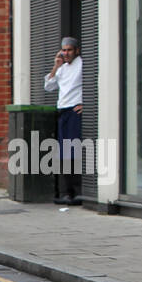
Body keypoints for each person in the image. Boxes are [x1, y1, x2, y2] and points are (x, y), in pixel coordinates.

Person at [44, 36, 84, 205]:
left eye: (69, 50)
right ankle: (67, 192)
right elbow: (49, 86)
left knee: (73, 152)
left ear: (76, 51)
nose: (66, 53)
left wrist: (86, 103)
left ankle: (76, 192)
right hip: (63, 112)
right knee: (64, 154)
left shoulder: (82, 64)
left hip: (75, 111)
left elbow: (93, 82)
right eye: (64, 50)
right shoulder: (61, 68)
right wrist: (56, 65)